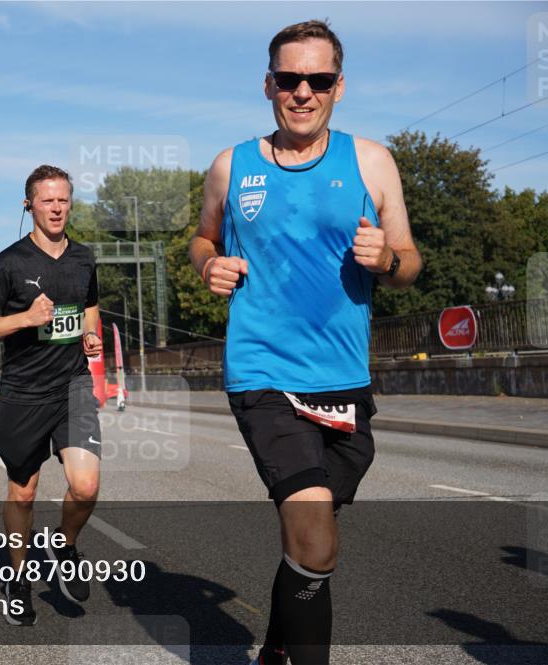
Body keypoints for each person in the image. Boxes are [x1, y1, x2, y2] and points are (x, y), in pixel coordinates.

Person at [189, 20, 422, 665]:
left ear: (338, 87)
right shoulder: (232, 166)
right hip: (263, 373)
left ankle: (274, 648)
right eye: (289, 78)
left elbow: (409, 261)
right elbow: (203, 237)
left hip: (344, 378)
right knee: (316, 538)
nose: (303, 92)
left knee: (308, 538)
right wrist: (208, 264)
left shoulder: (371, 162)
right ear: (268, 85)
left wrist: (387, 260)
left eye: (318, 80)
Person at [0, 164, 103, 626]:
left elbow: (89, 307)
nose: (57, 208)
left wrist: (90, 334)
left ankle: (64, 545)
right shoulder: (7, 264)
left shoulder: (84, 258)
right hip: (24, 392)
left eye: (63, 199)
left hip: (72, 386)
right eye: (47, 200)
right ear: (29, 205)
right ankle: (18, 577)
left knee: (86, 485)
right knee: (23, 493)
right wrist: (24, 318)